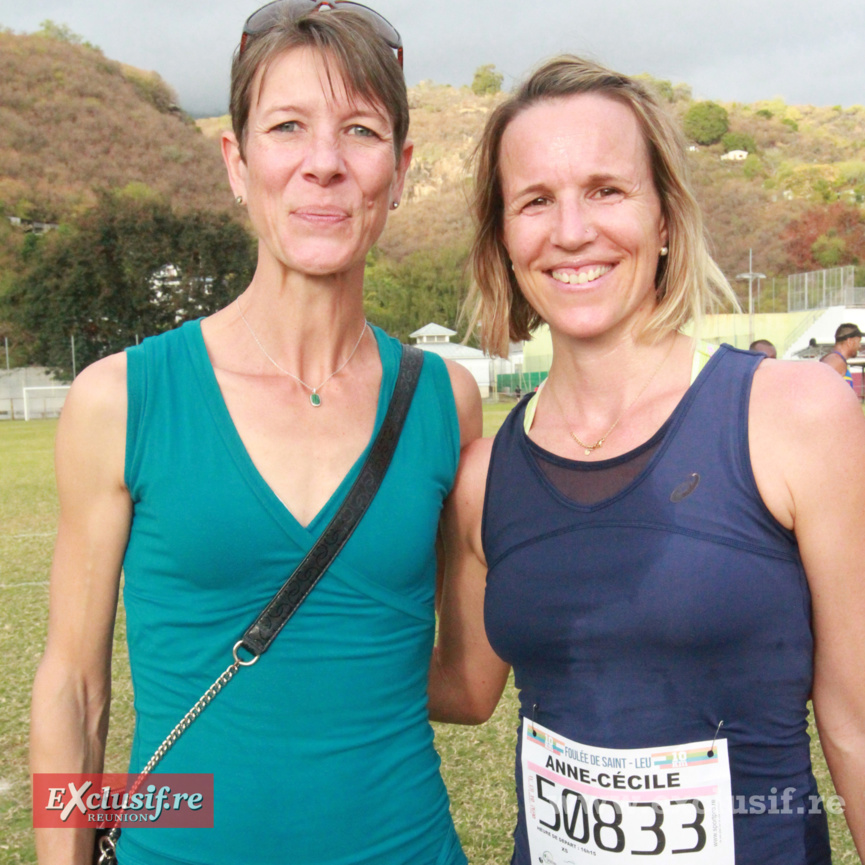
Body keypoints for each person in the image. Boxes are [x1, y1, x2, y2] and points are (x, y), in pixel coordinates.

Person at [30, 4, 480, 864]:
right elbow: (73, 686)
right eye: (286, 127)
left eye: (359, 130)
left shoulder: (444, 402)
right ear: (237, 164)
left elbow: (467, 684)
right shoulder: (121, 398)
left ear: (401, 169)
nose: (323, 164)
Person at [429, 56, 865, 865]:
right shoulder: (483, 476)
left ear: (664, 218)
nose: (570, 231)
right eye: (534, 200)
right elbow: (462, 687)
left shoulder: (797, 416)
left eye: (605, 189)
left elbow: (856, 720)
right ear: (505, 238)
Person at [820, 322, 863, 388]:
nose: (859, 346)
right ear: (849, 341)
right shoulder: (835, 360)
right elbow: (819, 387)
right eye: (858, 342)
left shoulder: (838, 360)